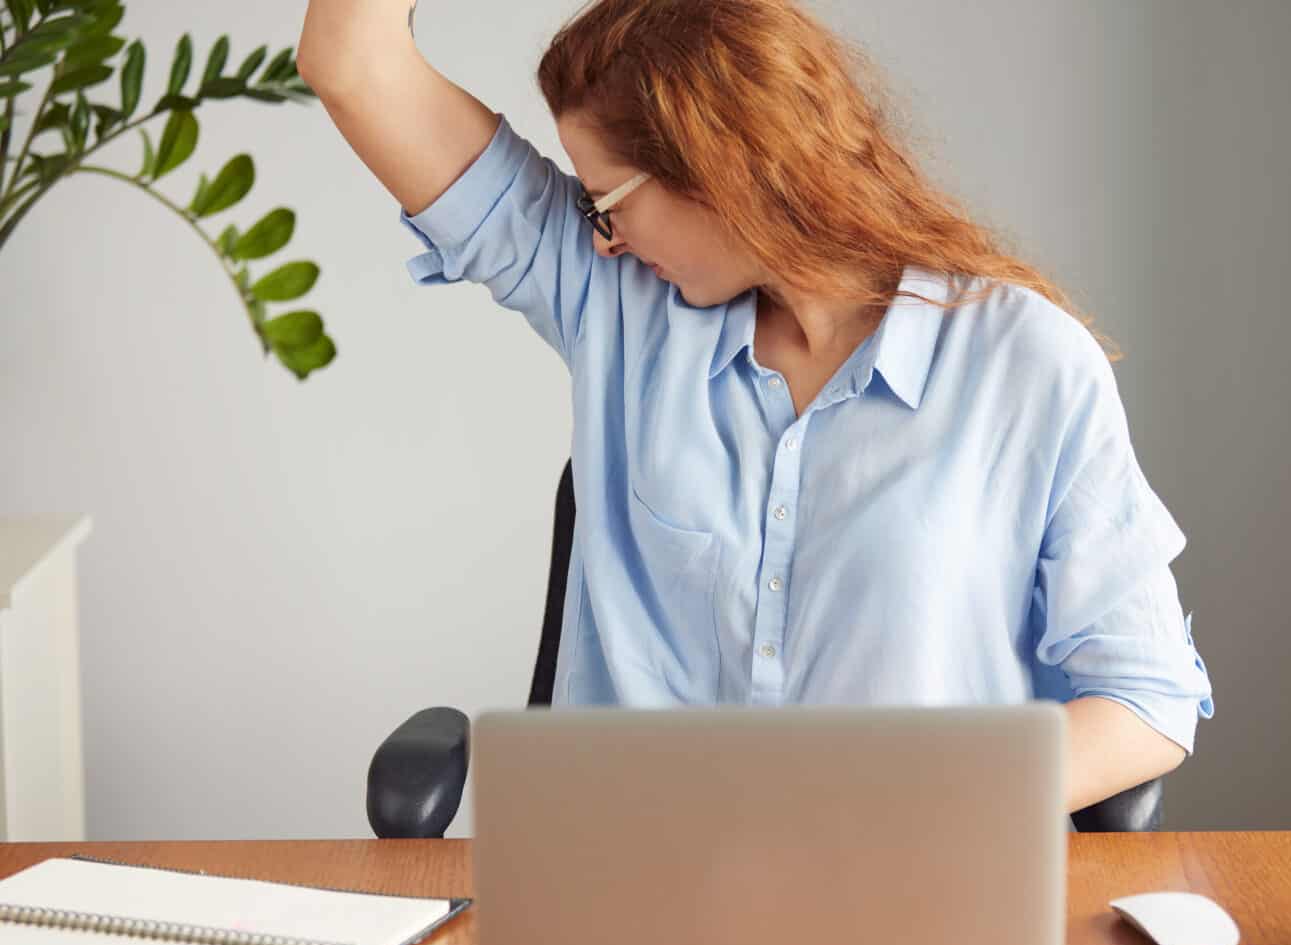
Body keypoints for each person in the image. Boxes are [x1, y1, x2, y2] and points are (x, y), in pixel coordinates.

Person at [297, 0, 1213, 815]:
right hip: (628, 900)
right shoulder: (619, 307)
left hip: (900, 908)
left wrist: (925, 809)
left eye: (607, 201)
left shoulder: (1026, 365)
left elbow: (1145, 699)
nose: (602, 241)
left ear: (720, 172)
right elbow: (352, 61)